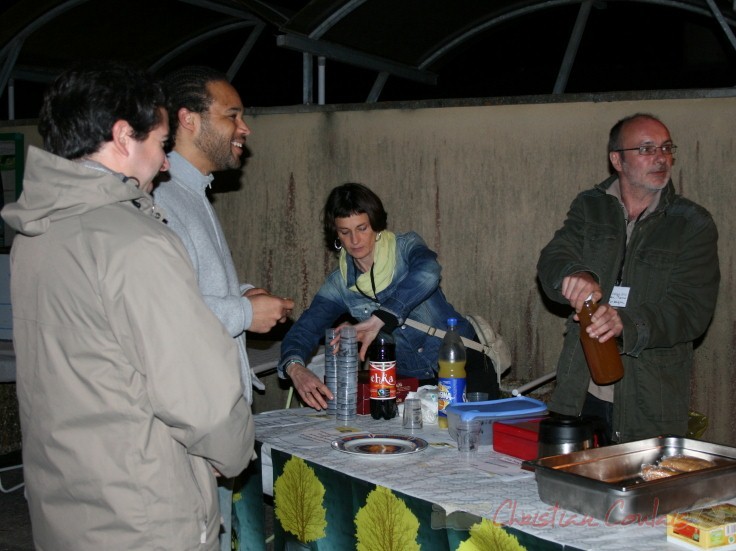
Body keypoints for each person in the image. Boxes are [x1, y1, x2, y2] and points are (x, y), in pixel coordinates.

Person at [0, 63, 253, 550]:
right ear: (122, 137)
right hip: (143, 512)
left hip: (66, 503)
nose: (164, 164)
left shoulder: (34, 235)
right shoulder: (136, 242)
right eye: (160, 144)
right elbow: (196, 392)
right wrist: (234, 451)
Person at [153, 65, 294, 550]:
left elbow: (191, 285)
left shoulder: (192, 193)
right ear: (188, 120)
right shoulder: (165, 197)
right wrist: (242, 314)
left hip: (207, 423)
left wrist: (244, 293)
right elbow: (164, 315)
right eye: (232, 115)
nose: (245, 128)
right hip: (191, 428)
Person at [537, 113, 720, 444]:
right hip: (579, 391)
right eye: (646, 148)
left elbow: (692, 311)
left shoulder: (691, 224)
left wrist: (627, 323)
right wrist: (574, 274)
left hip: (647, 400)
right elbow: (554, 257)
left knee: (639, 491)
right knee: (566, 493)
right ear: (617, 160)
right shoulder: (591, 206)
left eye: (665, 147)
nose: (660, 157)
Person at [278, 182, 501, 409]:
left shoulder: (405, 248)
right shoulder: (339, 284)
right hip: (412, 383)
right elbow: (306, 328)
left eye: (362, 228)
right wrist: (295, 368)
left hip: (463, 363)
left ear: (375, 224)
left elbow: (429, 272)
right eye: (345, 232)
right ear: (336, 235)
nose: (354, 240)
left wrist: (383, 316)